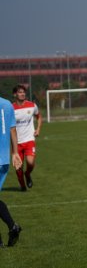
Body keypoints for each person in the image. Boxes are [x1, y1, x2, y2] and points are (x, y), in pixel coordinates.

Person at [0, 95, 23, 247]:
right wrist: (15, 153)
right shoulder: (7, 104)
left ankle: (12, 225)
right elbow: (13, 130)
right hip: (4, 160)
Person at [12, 85, 42, 191]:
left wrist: (38, 129)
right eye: (20, 92)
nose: (22, 94)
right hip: (17, 142)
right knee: (18, 167)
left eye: (23, 92)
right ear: (15, 94)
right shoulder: (11, 109)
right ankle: (23, 187)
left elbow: (39, 116)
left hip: (29, 139)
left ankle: (28, 174)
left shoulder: (32, 105)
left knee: (30, 162)